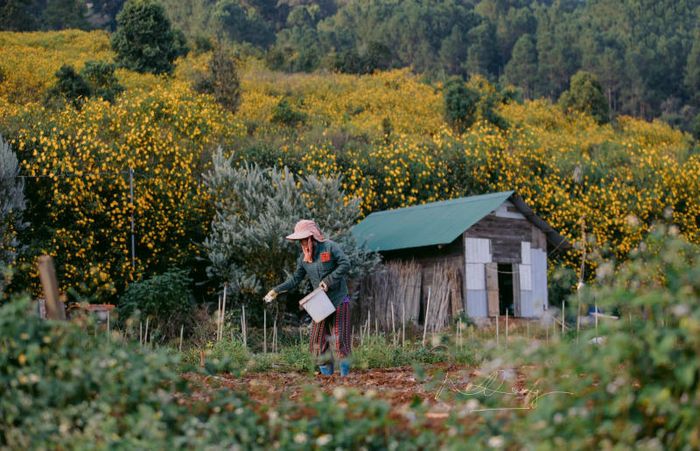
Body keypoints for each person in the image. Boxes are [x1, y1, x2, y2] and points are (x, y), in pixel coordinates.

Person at [264, 219, 353, 376]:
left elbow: (345, 263)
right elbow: (295, 279)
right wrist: (276, 290)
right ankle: (328, 380)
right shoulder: (303, 259)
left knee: (340, 340)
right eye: (299, 241)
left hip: (339, 298)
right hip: (321, 303)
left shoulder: (330, 247)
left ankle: (346, 379)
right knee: (318, 343)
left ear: (312, 237)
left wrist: (328, 281)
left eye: (304, 239)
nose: (302, 244)